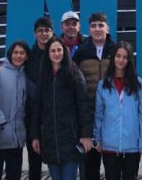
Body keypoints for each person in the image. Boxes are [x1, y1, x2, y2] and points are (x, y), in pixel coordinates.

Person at [30, 39, 92, 180]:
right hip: (50, 141)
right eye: (53, 50)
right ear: (48, 54)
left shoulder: (75, 74)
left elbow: (83, 106)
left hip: (71, 139)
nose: (56, 53)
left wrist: (86, 134)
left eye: (59, 50)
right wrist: (35, 136)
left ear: (65, 52)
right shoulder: (43, 76)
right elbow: (37, 109)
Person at [93, 42, 142, 180]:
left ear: (129, 60)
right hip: (109, 146)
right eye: (118, 56)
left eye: (125, 57)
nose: (121, 60)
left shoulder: (138, 83)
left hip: (132, 145)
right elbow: (99, 114)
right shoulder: (103, 84)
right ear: (113, 58)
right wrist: (97, 137)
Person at [73, 13, 115, 180]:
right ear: (89, 29)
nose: (97, 29)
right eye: (94, 26)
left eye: (100, 25)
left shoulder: (117, 49)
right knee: (90, 170)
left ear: (107, 28)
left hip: (112, 117)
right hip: (88, 117)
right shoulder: (81, 52)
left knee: (113, 169)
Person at [0, 41, 30, 180]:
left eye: (22, 53)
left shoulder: (26, 74)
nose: (18, 56)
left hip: (17, 138)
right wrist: (1, 121)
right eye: (15, 52)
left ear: (26, 56)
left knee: (14, 175)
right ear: (10, 54)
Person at [25, 16, 56, 179]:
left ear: (52, 32)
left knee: (56, 162)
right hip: (33, 117)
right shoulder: (28, 56)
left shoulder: (59, 54)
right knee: (34, 162)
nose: (44, 34)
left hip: (54, 116)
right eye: (40, 31)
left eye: (47, 30)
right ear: (35, 33)